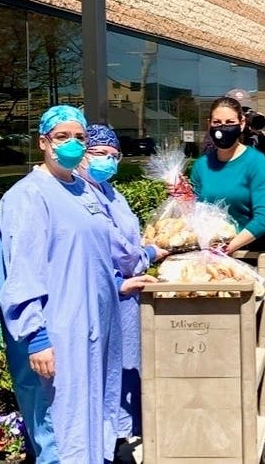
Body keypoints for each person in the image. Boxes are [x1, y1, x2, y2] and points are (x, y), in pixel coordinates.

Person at [0, 105, 157, 464]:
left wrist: (119, 281)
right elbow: (21, 273)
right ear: (43, 142)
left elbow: (96, 255)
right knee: (61, 434)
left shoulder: (84, 192)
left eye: (79, 137)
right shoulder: (28, 197)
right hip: (56, 338)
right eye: (62, 136)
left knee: (92, 426)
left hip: (93, 335)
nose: (72, 143)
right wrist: (36, 337)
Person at [187, 95, 265, 460]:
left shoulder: (255, 161)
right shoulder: (201, 166)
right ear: (209, 126)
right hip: (216, 259)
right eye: (216, 123)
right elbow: (197, 213)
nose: (222, 129)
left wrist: (229, 246)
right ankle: (230, 409)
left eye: (229, 123)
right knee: (222, 335)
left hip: (257, 254)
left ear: (242, 124)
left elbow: (264, 218)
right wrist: (184, 207)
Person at [75, 123, 167, 459]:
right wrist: (149, 254)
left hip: (127, 298)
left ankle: (116, 442)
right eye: (99, 153)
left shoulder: (113, 194)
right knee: (100, 377)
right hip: (104, 296)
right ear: (82, 155)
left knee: (123, 373)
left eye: (114, 156)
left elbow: (129, 237)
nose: (107, 161)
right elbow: (115, 247)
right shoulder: (80, 196)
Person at [201, 88, 265, 177]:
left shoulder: (253, 134)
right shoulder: (217, 132)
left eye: (245, 110)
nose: (243, 115)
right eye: (238, 111)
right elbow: (210, 158)